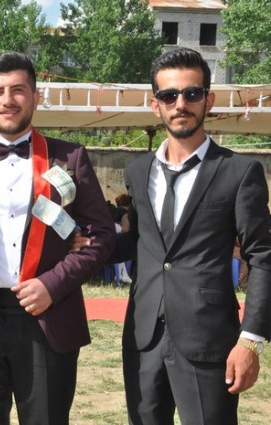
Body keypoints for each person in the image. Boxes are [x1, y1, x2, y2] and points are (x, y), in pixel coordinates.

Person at [0, 51, 115, 425]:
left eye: (17, 90)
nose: (8, 100)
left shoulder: (70, 158)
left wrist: (52, 284)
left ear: (35, 97)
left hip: (48, 316)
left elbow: (102, 235)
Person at [116, 48, 271, 424]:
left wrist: (251, 340)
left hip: (209, 341)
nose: (180, 103)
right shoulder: (137, 172)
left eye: (192, 93)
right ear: (155, 105)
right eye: (169, 95)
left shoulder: (239, 171)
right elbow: (139, 243)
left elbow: (263, 257)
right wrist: (75, 242)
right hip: (143, 338)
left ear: (209, 100)